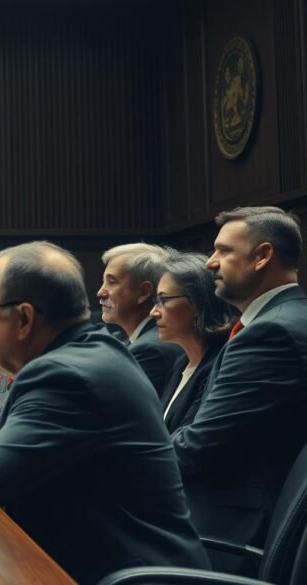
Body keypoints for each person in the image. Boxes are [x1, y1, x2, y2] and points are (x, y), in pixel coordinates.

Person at [0, 241, 208, 584]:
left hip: (127, 574)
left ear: (24, 318)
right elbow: (22, 453)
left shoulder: (64, 374)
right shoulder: (87, 353)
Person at [172, 206, 307, 572]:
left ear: (263, 255)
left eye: (223, 251)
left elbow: (202, 446)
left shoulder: (271, 332)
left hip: (231, 533)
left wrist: (126, 460)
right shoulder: (281, 319)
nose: (210, 263)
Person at [149, 252, 236, 433]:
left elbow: (194, 438)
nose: (153, 312)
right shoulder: (180, 362)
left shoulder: (219, 363)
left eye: (163, 300)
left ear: (198, 303)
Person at [98, 243, 185, 397]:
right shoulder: (135, 341)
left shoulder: (149, 350)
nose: (100, 292)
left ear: (144, 292)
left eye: (111, 282)